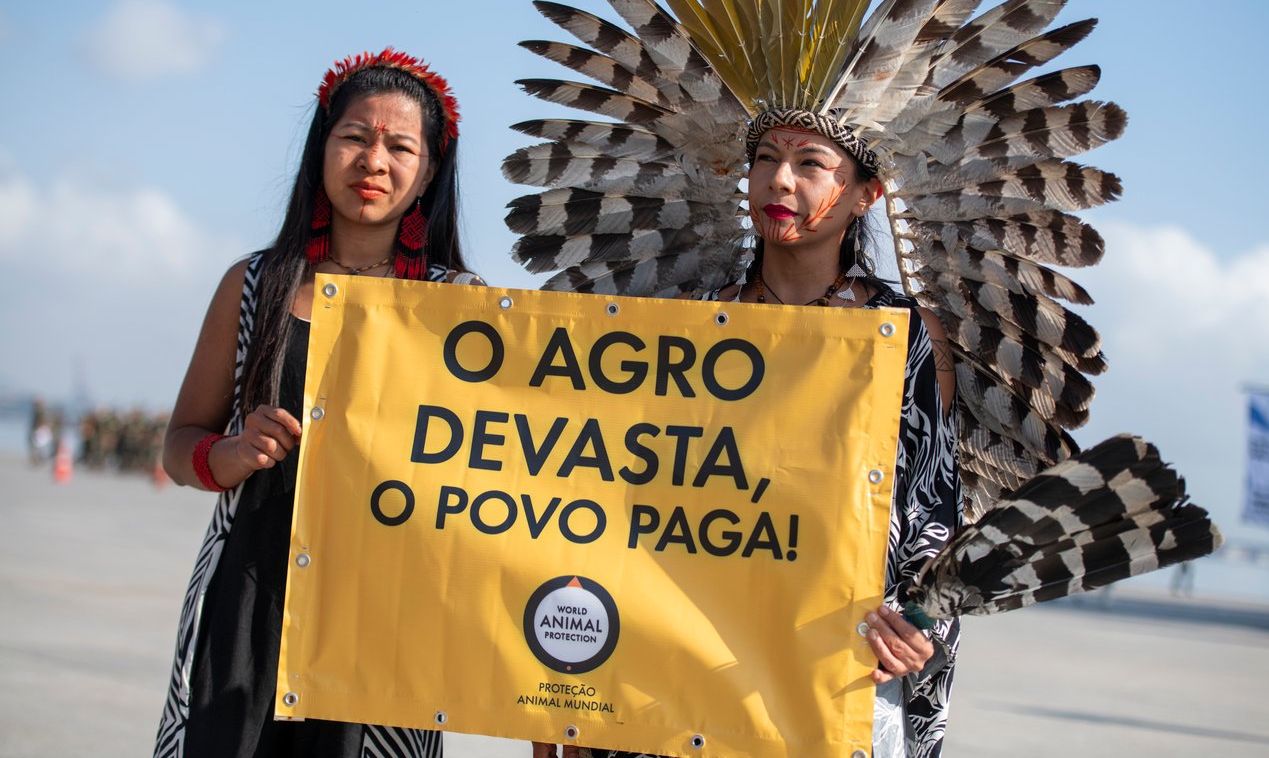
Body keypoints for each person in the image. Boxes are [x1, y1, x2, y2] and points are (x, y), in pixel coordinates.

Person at [537, 112, 962, 758]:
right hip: (683, 665)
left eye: (811, 164)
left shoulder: (903, 336)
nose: (780, 180)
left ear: (863, 195)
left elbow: (931, 508)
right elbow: (615, 498)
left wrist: (917, 624)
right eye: (765, 159)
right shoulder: (691, 324)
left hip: (829, 669)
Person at [155, 48, 479, 758]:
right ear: (321, 149)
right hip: (249, 589)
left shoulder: (464, 305)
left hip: (390, 610)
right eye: (355, 137)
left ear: (428, 172)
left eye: (400, 146)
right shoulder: (252, 285)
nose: (374, 160)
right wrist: (231, 453)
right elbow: (180, 445)